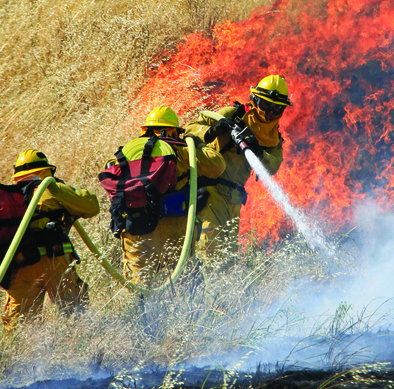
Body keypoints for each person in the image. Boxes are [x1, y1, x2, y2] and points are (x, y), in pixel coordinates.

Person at [104, 106, 226, 287]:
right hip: (174, 228)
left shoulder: (126, 152)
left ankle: (139, 313)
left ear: (145, 130)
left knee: (139, 288)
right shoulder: (181, 151)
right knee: (182, 283)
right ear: (174, 132)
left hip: (135, 228)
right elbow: (217, 165)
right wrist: (196, 142)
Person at [185, 74, 291, 266]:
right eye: (265, 105)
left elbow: (273, 165)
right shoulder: (232, 114)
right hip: (211, 192)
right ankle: (200, 292)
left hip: (234, 199)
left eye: (277, 108)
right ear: (254, 99)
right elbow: (190, 128)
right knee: (211, 253)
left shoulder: (273, 138)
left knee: (228, 259)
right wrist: (213, 130)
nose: (270, 113)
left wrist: (259, 152)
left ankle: (221, 295)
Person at [2, 150, 99, 330]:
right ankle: (81, 347)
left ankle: (21, 356)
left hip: (20, 264)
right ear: (46, 171)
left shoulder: (9, 197)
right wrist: (61, 190)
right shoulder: (50, 188)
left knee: (20, 328)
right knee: (76, 315)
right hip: (53, 259)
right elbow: (92, 206)